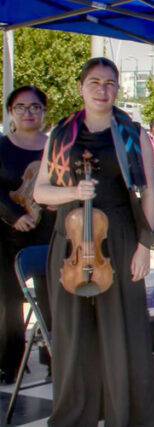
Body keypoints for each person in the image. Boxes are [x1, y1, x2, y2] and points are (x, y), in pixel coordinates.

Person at [33, 58, 154, 427]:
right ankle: (66, 418)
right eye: (94, 82)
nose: (102, 89)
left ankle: (123, 416)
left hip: (120, 236)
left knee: (120, 327)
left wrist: (145, 246)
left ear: (117, 89)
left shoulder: (133, 133)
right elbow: (41, 191)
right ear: (81, 87)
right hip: (71, 239)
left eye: (110, 83)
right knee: (72, 333)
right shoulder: (60, 135)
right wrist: (73, 193)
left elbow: (150, 194)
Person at [0, 86, 53, 384]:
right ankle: (10, 362)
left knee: (50, 294)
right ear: (11, 112)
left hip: (47, 227)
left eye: (35, 107)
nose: (28, 113)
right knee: (7, 299)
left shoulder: (54, 147)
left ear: (44, 112)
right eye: (21, 107)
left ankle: (53, 356)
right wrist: (14, 215)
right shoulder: (2, 147)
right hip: (6, 231)